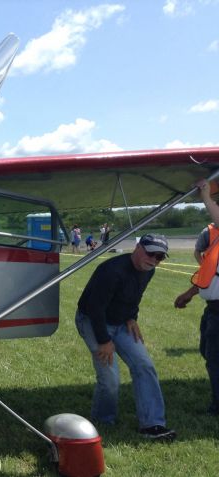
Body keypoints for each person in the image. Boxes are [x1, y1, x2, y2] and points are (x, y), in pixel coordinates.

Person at [75, 233, 176, 439]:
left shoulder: (148, 271)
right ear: (138, 248)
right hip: (93, 320)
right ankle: (103, 421)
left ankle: (152, 425)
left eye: (160, 257)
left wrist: (132, 318)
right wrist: (104, 340)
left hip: (121, 322)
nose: (154, 260)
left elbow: (135, 296)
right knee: (110, 377)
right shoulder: (112, 271)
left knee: (144, 366)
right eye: (151, 254)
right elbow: (95, 308)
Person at [173, 179, 219, 417]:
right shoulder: (209, 234)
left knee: (214, 359)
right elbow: (208, 272)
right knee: (207, 351)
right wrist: (189, 294)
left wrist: (206, 196)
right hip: (213, 307)